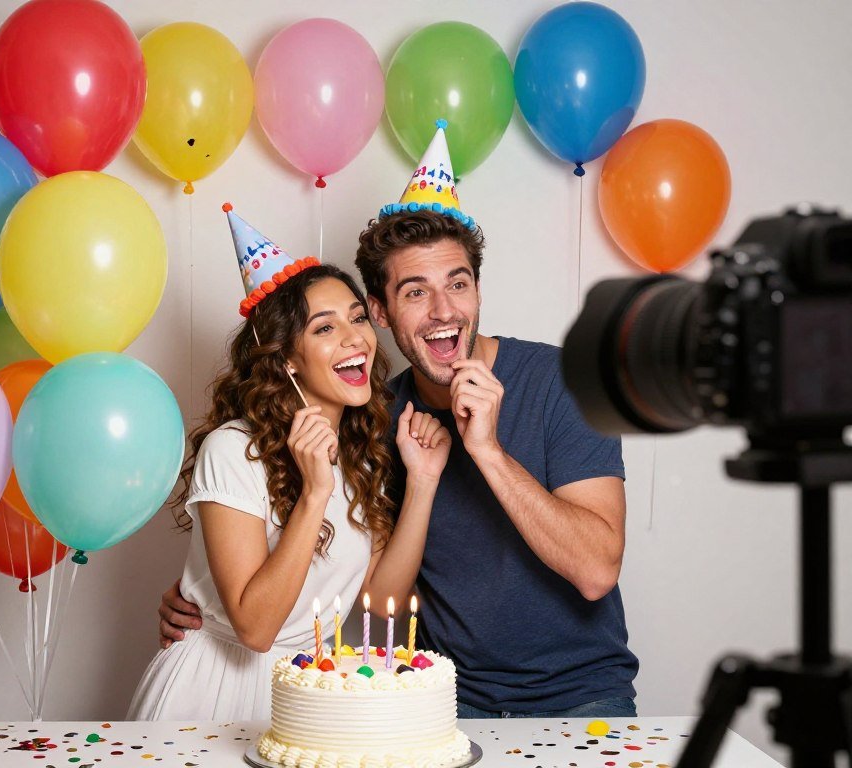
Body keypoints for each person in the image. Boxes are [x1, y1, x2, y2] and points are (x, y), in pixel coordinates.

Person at [159, 126, 638, 718]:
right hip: (444, 701)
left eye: (457, 284)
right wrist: (205, 603)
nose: (443, 311)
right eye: (416, 292)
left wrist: (486, 450)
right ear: (383, 313)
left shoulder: (564, 381)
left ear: (477, 289)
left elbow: (595, 571)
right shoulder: (375, 420)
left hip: (582, 698)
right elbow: (364, 600)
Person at [128, 207, 450, 721]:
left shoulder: (361, 454)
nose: (355, 338)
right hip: (215, 695)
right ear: (287, 359)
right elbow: (255, 629)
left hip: (306, 697)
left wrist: (424, 483)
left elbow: (380, 600)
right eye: (325, 328)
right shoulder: (235, 449)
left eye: (357, 317)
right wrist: (314, 493)